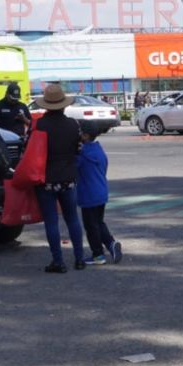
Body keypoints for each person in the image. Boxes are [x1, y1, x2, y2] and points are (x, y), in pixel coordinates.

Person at [33, 84, 86, 272]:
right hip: (69, 177)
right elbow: (78, 149)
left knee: (51, 220)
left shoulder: (39, 125)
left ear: (46, 105)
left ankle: (58, 261)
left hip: (46, 179)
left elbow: (29, 151)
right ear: (64, 105)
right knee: (72, 218)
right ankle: (80, 259)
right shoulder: (73, 124)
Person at [76, 121, 122, 266]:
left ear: (85, 136)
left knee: (91, 226)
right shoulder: (98, 150)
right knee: (98, 222)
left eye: (79, 132)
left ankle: (98, 254)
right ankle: (110, 244)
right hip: (101, 191)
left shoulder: (83, 155)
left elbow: (73, 167)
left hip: (88, 194)